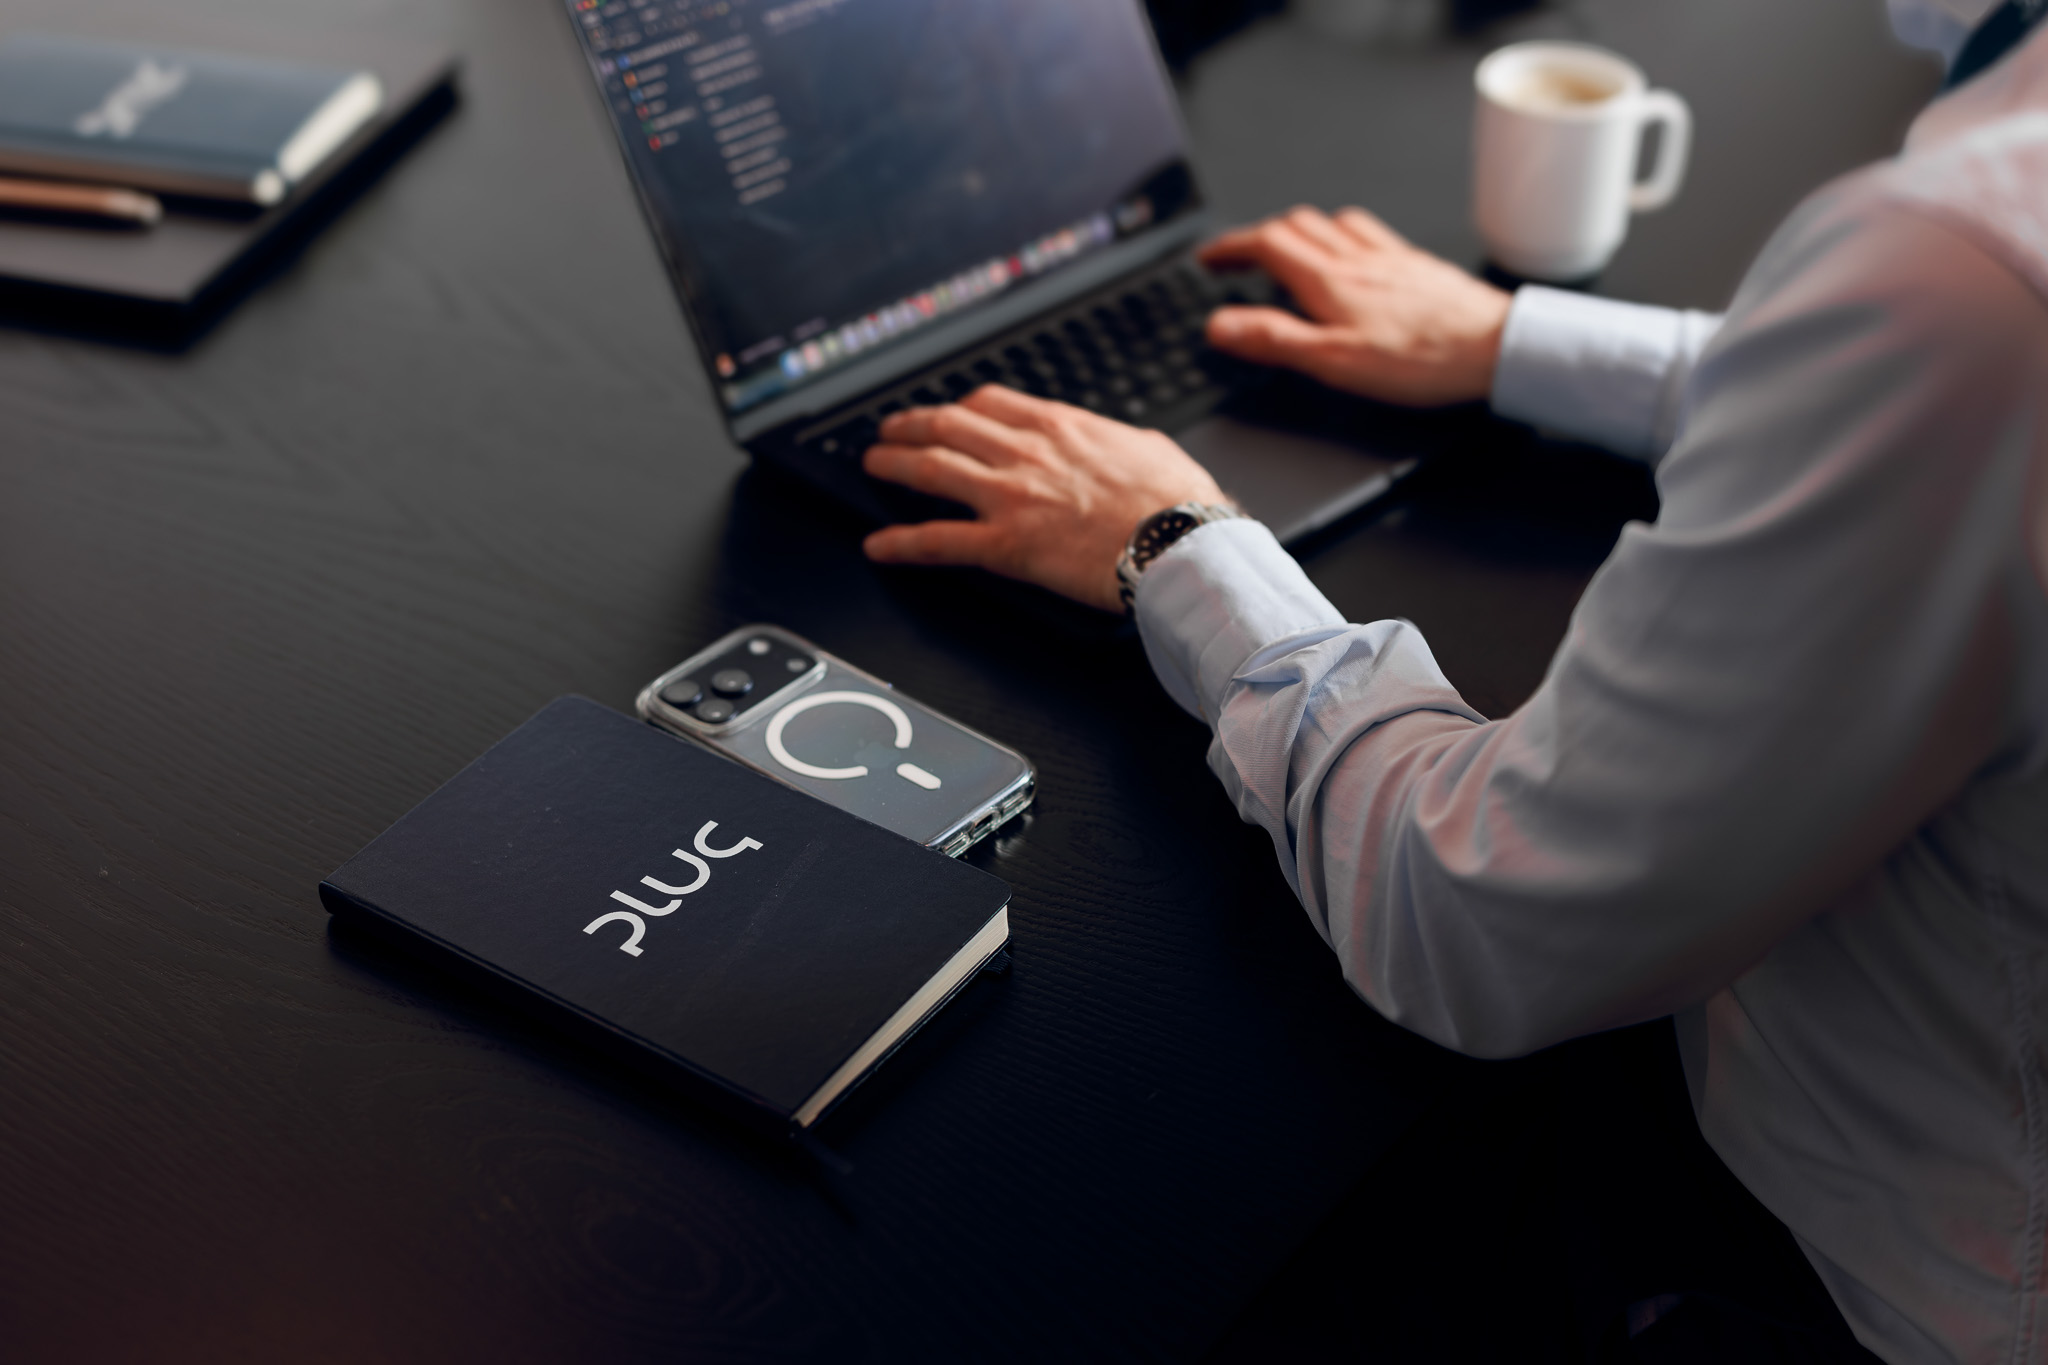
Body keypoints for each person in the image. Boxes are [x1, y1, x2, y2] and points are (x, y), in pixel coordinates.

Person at [855, 2, 2048, 1362]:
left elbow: (1473, 918)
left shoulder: (1964, 283)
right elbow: (1934, 396)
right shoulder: (1966, 281)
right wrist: (1517, 340)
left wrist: (1175, 545)